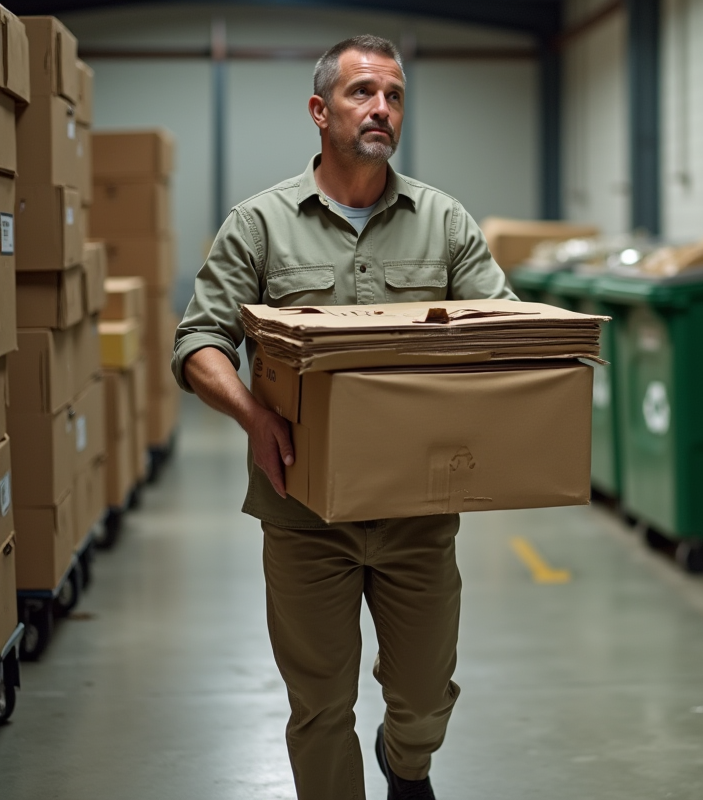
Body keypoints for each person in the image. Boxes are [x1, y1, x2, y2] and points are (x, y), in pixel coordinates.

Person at [172, 34, 516, 800]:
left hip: (417, 509)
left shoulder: (443, 221)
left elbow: (502, 327)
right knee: (320, 705)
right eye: (364, 93)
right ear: (320, 111)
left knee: (425, 695)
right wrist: (254, 418)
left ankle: (406, 760)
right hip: (302, 509)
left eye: (394, 95)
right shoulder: (260, 224)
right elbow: (198, 342)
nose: (382, 109)